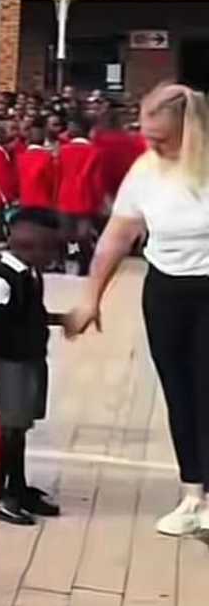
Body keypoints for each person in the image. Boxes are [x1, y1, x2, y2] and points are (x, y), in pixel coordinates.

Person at [66, 83, 209, 535]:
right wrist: (91, 297)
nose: (150, 145)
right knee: (179, 393)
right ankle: (193, 494)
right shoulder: (145, 171)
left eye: (160, 138)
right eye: (146, 135)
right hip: (165, 291)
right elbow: (117, 236)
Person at [0, 207, 64, 526]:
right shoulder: (3, 278)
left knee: (21, 427)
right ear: (28, 244)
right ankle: (0, 494)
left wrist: (57, 321)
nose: (52, 255)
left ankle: (17, 485)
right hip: (11, 363)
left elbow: (28, 313)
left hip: (30, 359)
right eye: (48, 247)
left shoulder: (30, 273)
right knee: (9, 429)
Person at [56, 115, 104, 275]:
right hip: (85, 198)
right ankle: (85, 264)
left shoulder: (63, 150)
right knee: (84, 235)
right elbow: (97, 180)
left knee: (65, 234)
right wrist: (99, 201)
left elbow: (58, 175)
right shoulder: (94, 151)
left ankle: (64, 263)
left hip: (65, 196)